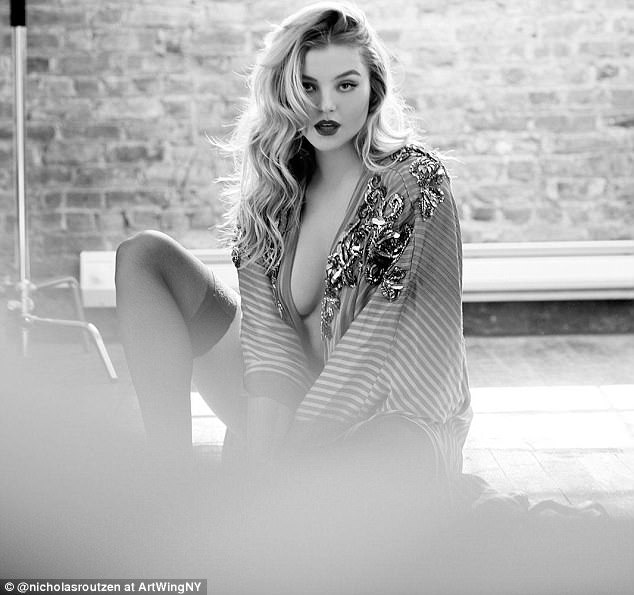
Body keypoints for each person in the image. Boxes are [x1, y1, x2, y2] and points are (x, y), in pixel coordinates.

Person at [115, 1, 472, 502]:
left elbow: (377, 353)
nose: (326, 105)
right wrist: (264, 447)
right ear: (284, 90)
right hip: (285, 410)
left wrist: (267, 466)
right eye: (308, 86)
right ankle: (169, 491)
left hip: (387, 420)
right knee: (143, 256)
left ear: (373, 90)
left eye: (345, 85)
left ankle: (291, 490)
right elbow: (267, 339)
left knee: (377, 466)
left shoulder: (415, 182)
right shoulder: (273, 190)